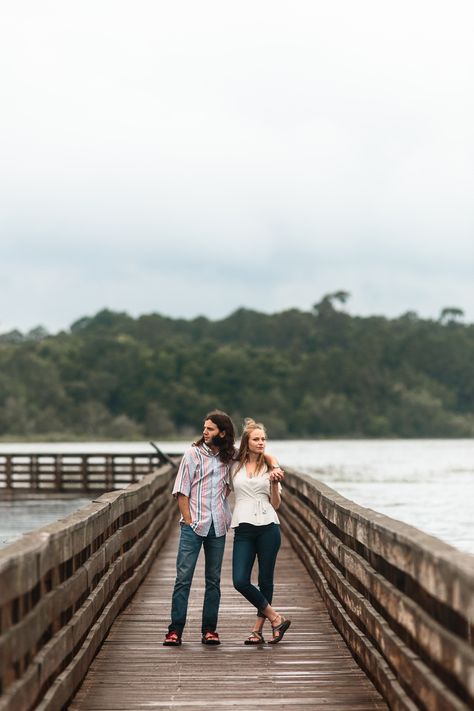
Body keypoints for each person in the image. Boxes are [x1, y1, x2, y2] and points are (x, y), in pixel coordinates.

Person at [163, 410, 283, 646]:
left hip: (218, 525)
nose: (204, 432)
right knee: (183, 578)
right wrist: (188, 520)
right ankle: (175, 630)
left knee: (213, 581)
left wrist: (274, 463)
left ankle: (209, 630)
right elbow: (181, 491)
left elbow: (258, 452)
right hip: (193, 525)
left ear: (223, 433)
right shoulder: (192, 454)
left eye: (210, 429)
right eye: (204, 428)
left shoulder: (230, 457)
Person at [231, 419, 291, 644]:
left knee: (266, 579)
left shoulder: (270, 468)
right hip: (243, 528)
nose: (261, 443)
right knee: (240, 580)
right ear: (247, 441)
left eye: (263, 439)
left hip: (268, 526)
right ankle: (276, 618)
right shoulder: (234, 465)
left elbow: (276, 504)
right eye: (256, 439)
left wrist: (275, 484)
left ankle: (257, 630)